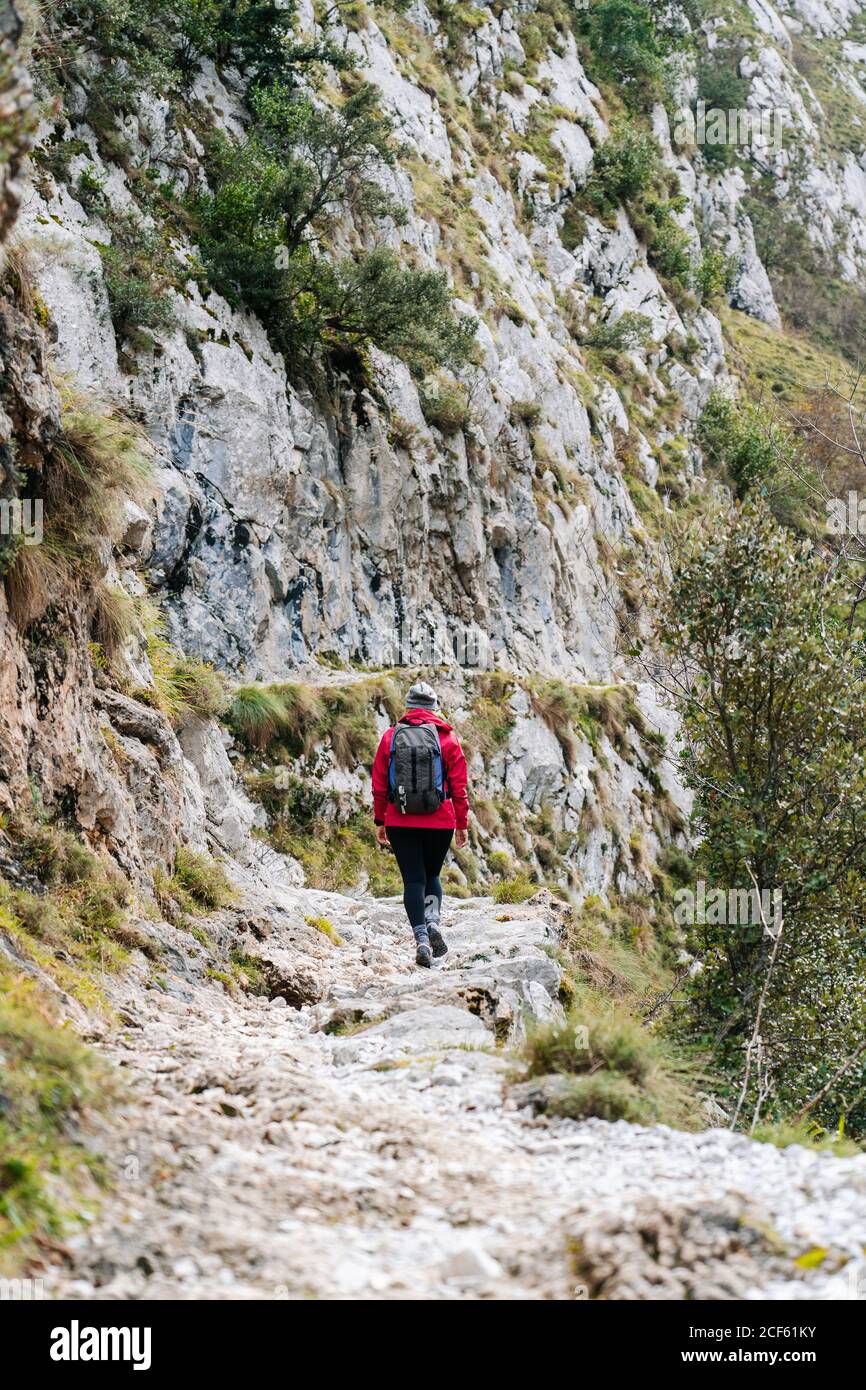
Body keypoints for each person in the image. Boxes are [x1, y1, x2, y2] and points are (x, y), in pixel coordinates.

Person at [371, 681, 469, 967]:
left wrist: (381, 819)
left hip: (400, 818)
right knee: (432, 876)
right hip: (440, 820)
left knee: (413, 880)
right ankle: (433, 920)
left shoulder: (391, 737)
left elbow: (378, 783)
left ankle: (422, 939)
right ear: (434, 709)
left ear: (408, 708)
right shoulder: (447, 740)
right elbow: (460, 787)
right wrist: (461, 823)